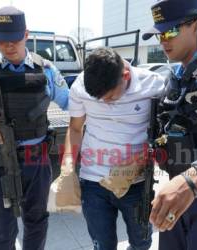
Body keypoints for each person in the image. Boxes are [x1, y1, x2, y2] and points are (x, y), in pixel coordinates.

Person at [0, 6, 69, 250]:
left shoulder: (46, 70)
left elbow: (71, 101)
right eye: (1, 41)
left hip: (36, 160)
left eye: (14, 39)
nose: (8, 46)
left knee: (37, 222)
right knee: (2, 231)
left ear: (26, 35)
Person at [142, 0, 197, 249]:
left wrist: (195, 178)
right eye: (159, 34)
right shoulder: (174, 77)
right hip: (176, 195)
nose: (163, 41)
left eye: (170, 31)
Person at [61, 47, 165, 250]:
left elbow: (166, 131)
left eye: (109, 97)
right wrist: (67, 170)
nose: (104, 103)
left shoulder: (154, 84)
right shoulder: (80, 86)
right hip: (93, 183)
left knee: (141, 244)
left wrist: (145, 157)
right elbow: (75, 128)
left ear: (125, 76)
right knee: (102, 246)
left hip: (136, 183)